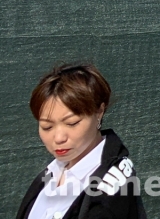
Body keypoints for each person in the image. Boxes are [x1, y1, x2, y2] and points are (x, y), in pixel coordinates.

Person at [16, 64, 146, 219]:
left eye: (72, 123)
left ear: (99, 112)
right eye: (47, 126)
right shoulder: (53, 171)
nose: (59, 138)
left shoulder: (108, 194)